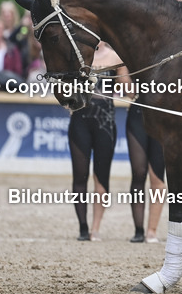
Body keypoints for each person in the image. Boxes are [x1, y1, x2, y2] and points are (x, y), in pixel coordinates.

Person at [68, 42, 124, 241]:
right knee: (80, 175)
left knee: (102, 178)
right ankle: (83, 227)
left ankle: (95, 228)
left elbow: (126, 88)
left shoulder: (116, 56)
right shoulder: (79, 55)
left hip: (105, 121)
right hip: (80, 119)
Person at [126, 103, 166, 243]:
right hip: (138, 112)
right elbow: (126, 87)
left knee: (157, 176)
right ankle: (138, 230)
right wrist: (124, 80)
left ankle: (152, 231)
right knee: (138, 172)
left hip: (161, 114)